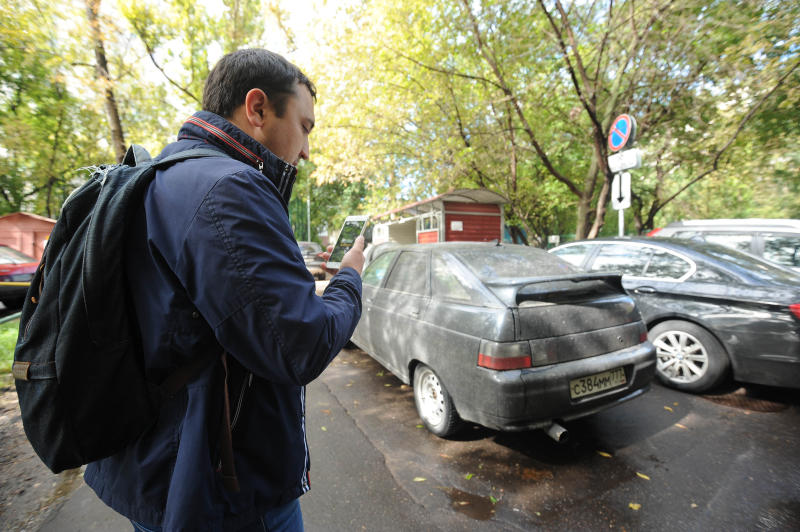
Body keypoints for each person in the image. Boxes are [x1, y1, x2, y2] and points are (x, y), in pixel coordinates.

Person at [84, 49, 364, 531]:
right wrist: (349, 281)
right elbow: (299, 344)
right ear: (256, 109)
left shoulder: (163, 176)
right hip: (221, 498)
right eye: (305, 125)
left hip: (159, 469)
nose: (305, 151)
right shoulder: (229, 189)